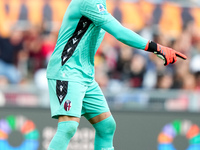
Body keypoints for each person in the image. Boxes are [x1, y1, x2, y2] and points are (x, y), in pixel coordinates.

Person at [46, 0, 187, 149]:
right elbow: (119, 33)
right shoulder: (89, 1)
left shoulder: (100, 3)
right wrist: (156, 48)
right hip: (67, 71)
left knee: (106, 126)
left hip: (85, 75)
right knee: (68, 127)